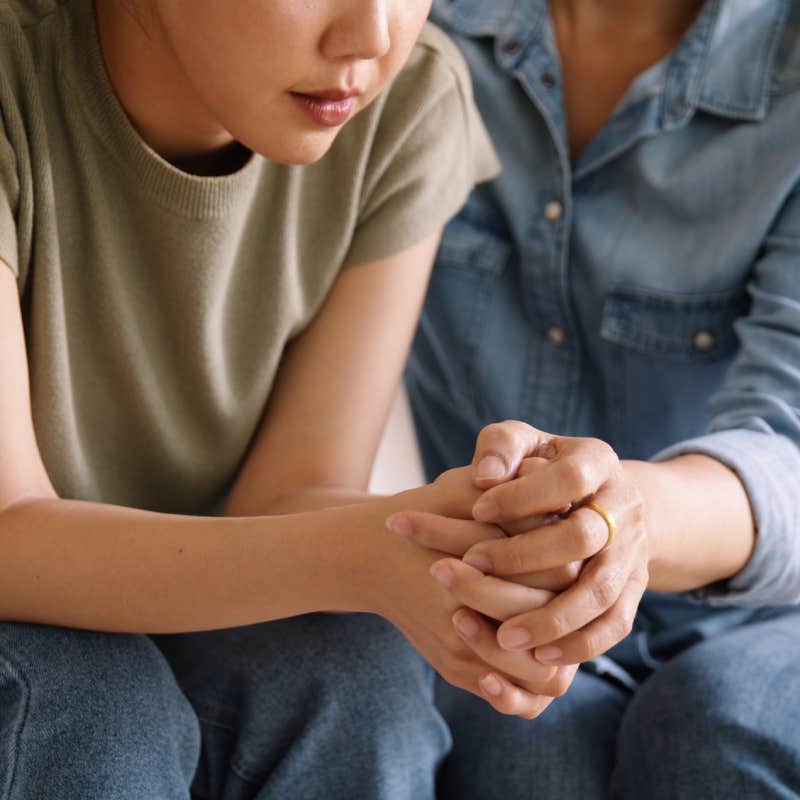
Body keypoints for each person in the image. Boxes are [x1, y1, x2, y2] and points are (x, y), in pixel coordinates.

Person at [0, 1, 577, 798]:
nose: (372, 37)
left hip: (200, 592)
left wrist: (463, 540)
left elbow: (287, 493)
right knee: (97, 709)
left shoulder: (406, 100)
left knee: (356, 681)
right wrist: (362, 552)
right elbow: (7, 535)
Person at [394, 0, 800, 797]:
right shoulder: (410, 29)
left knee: (717, 728)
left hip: (768, 614)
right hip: (502, 603)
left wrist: (626, 515)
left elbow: (790, 445)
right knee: (523, 755)